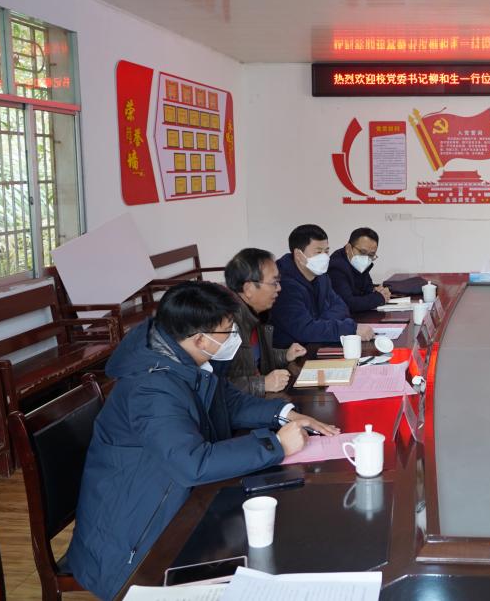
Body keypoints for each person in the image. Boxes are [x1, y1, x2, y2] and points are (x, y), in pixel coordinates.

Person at [68, 281, 339, 600]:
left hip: (179, 501)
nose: (235, 337)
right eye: (228, 331)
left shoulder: (183, 356)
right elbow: (191, 464)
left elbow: (229, 401)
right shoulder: (150, 388)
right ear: (199, 338)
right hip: (135, 539)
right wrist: (275, 445)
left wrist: (285, 413)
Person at [269, 224, 374, 345]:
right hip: (291, 351)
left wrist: (318, 323)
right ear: (298, 255)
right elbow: (304, 330)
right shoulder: (283, 284)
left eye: (326, 251)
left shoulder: (321, 275)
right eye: (318, 252)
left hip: (318, 341)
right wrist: (349, 329)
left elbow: (341, 307)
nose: (324, 257)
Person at [223, 248, 307, 396]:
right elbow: (217, 385)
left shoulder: (255, 314)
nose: (279, 288)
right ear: (248, 289)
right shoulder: (225, 326)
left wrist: (285, 355)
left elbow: (256, 357)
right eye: (274, 283)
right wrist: (262, 384)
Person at [328, 227, 392, 313]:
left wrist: (375, 290)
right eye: (362, 252)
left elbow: (366, 288)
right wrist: (379, 298)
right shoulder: (336, 267)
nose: (366, 258)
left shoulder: (359, 263)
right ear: (348, 248)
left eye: (371, 255)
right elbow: (347, 303)